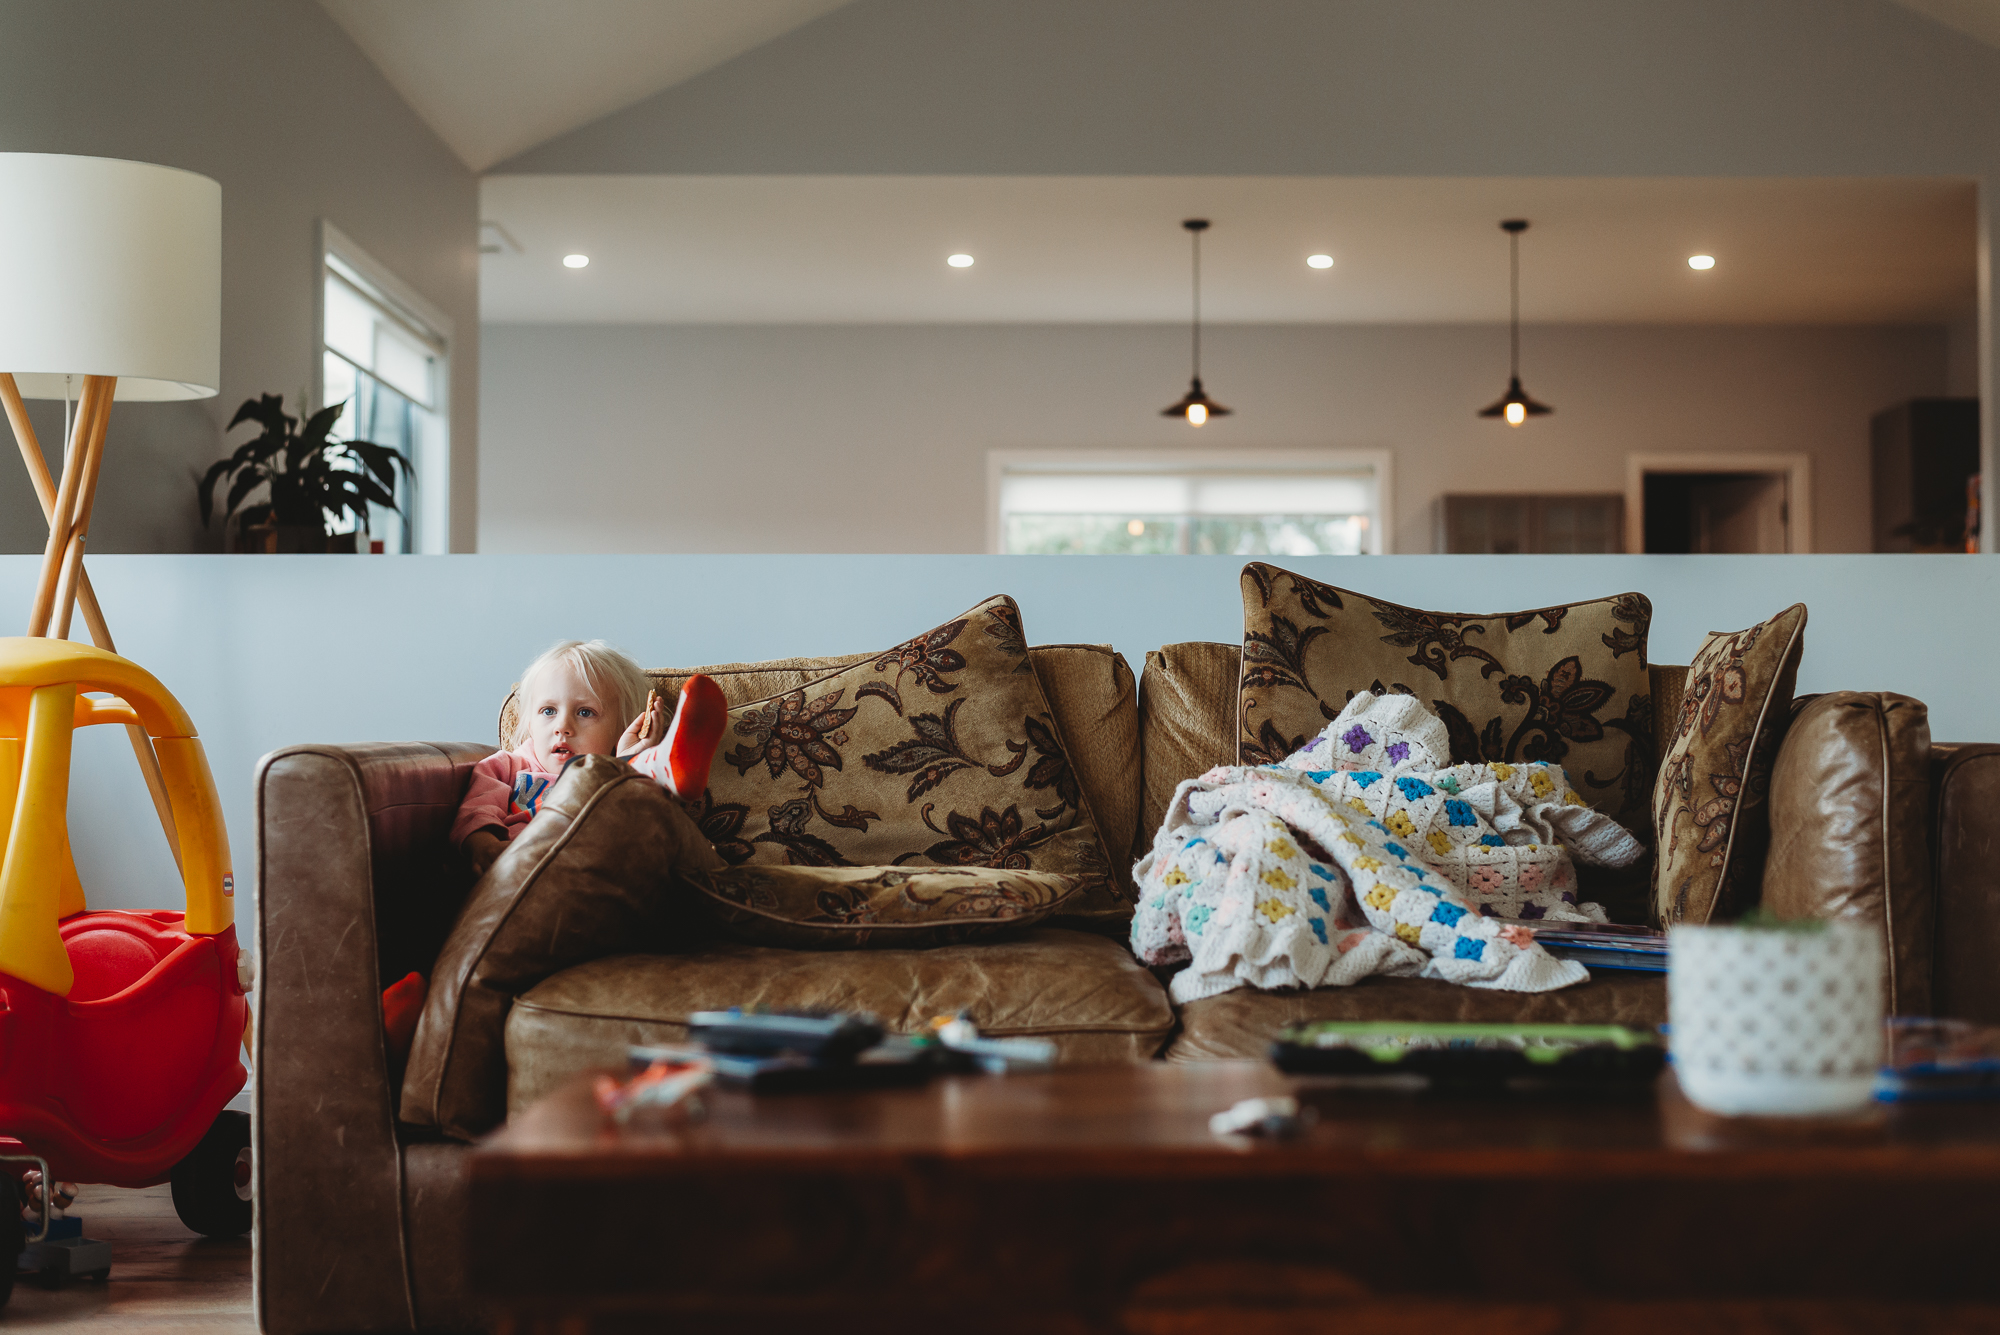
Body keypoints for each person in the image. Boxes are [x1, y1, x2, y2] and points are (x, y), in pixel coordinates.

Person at [450, 640, 727, 877]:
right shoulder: (507, 766)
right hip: (523, 871)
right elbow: (477, 810)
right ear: (529, 724)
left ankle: (660, 764)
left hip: (598, 871)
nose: (563, 726)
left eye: (585, 712)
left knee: (628, 795)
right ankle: (660, 766)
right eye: (548, 711)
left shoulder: (610, 774)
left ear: (620, 729)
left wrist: (626, 757)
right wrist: (483, 845)